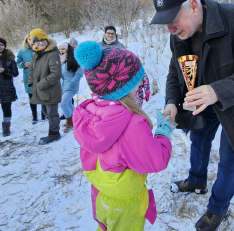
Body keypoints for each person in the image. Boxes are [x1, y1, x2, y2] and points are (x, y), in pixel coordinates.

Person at [150, 0, 234, 230]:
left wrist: (217, 91)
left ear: (194, 6)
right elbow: (174, 71)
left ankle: (217, 208)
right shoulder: (179, 36)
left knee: (229, 155)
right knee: (198, 139)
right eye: (166, 24)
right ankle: (196, 180)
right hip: (202, 103)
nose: (170, 30)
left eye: (174, 21)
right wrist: (172, 101)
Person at [73, 41, 174, 231]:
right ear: (126, 86)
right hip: (126, 202)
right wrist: (163, 132)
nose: (141, 84)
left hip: (102, 192)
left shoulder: (91, 111)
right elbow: (156, 160)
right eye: (137, 81)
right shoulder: (132, 123)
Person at [28, 29, 62, 145]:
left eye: (43, 40)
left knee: (52, 113)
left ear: (47, 40)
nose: (41, 43)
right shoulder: (35, 54)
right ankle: (53, 131)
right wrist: (31, 83)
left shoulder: (52, 53)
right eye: (37, 41)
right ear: (33, 43)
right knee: (45, 111)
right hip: (39, 89)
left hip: (50, 89)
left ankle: (54, 134)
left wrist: (41, 84)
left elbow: (56, 74)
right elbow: (32, 70)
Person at [16, 34, 46, 124]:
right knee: (32, 97)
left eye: (33, 39)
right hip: (29, 77)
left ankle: (44, 115)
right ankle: (34, 117)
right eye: (29, 39)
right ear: (26, 41)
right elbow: (18, 62)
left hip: (41, 76)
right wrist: (24, 64)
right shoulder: (22, 51)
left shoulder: (42, 49)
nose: (31, 41)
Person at [59, 42, 83, 133]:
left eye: (63, 49)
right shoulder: (60, 61)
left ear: (68, 50)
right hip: (63, 86)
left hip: (71, 87)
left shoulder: (74, 60)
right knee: (68, 104)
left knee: (63, 104)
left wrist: (72, 83)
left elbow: (79, 73)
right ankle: (76, 119)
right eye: (60, 49)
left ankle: (69, 123)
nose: (61, 50)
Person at [0, 37, 19, 136]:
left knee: (6, 109)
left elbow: (15, 73)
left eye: (1, 45)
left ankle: (6, 129)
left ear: (4, 46)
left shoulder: (10, 58)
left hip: (6, 88)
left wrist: (5, 71)